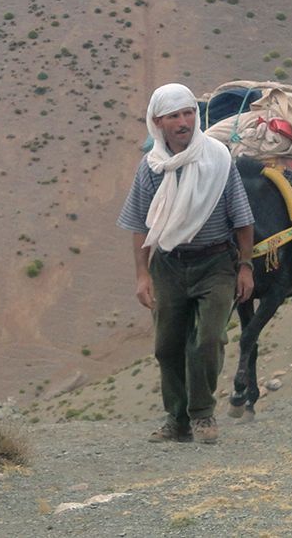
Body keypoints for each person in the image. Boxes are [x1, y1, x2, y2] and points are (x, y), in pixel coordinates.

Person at [117, 83, 255, 445]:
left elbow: (242, 218)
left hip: (216, 262)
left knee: (208, 339)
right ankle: (176, 421)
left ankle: (203, 414)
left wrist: (245, 266)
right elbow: (138, 224)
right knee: (167, 345)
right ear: (158, 122)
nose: (183, 122)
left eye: (189, 113)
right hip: (169, 265)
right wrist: (142, 274)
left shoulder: (219, 159)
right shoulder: (151, 168)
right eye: (174, 116)